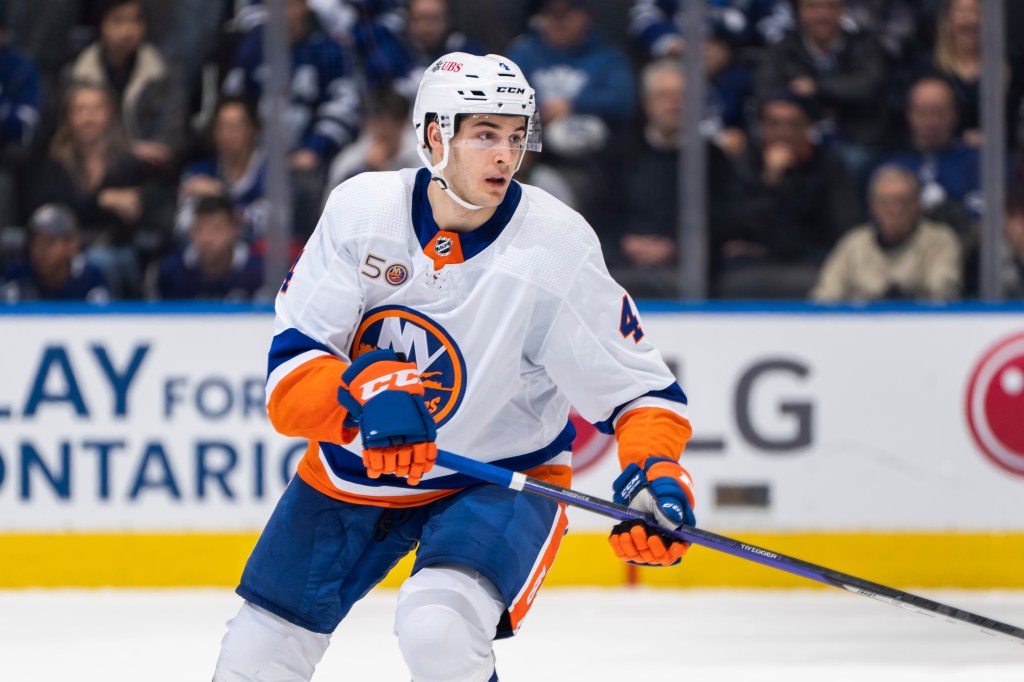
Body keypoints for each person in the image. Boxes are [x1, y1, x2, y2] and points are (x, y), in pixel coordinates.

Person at [213, 52, 696, 682]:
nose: (506, 155)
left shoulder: (555, 246)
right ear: (435, 136)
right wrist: (359, 398)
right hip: (356, 470)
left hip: (497, 476)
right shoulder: (362, 211)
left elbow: (640, 393)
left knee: (436, 627)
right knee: (254, 659)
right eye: (485, 135)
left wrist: (655, 468)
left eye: (516, 136)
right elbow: (290, 381)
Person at [714, 89, 858, 298]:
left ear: (808, 127)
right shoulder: (746, 163)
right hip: (752, 260)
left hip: (809, 258)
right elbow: (735, 221)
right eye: (774, 124)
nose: (783, 132)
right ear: (762, 128)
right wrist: (771, 181)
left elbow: (840, 226)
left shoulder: (828, 164)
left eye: (793, 124)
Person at [810, 164, 962, 301]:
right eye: (886, 202)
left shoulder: (940, 240)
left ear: (918, 204)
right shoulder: (854, 242)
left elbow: (944, 295)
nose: (895, 210)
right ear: (873, 206)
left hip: (920, 325)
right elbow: (825, 297)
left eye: (903, 201)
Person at [67, 0, 186, 171]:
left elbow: (171, 135)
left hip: (149, 171)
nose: (128, 30)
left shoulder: (163, 73)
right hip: (90, 169)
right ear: (101, 23)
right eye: (118, 20)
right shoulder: (77, 73)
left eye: (136, 20)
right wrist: (127, 150)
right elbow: (68, 136)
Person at [882, 74, 981, 237]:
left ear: (955, 113)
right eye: (923, 112)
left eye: (939, 112)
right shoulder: (892, 167)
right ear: (909, 114)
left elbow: (985, 214)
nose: (931, 121)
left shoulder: (976, 159)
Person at [154, 193, 263, 301]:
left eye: (216, 229)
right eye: (199, 229)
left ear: (234, 230)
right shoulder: (172, 270)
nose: (206, 238)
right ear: (191, 231)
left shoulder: (258, 272)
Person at [1, 203, 109, 303]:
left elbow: (100, 318)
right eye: (36, 242)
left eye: (49, 242)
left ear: (72, 244)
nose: (41, 250)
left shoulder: (89, 277)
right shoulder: (17, 276)